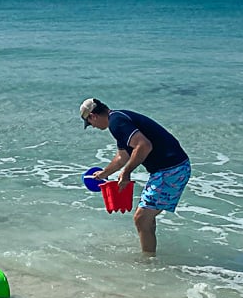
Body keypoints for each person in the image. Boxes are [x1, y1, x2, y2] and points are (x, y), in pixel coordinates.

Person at [80, 98, 191, 255]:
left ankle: (148, 262)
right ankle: (151, 255)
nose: (93, 127)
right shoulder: (118, 118)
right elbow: (122, 157)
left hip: (170, 169)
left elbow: (144, 145)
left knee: (141, 218)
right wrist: (104, 174)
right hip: (172, 168)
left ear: (92, 116)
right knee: (146, 218)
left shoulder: (116, 122)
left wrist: (126, 173)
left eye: (90, 123)